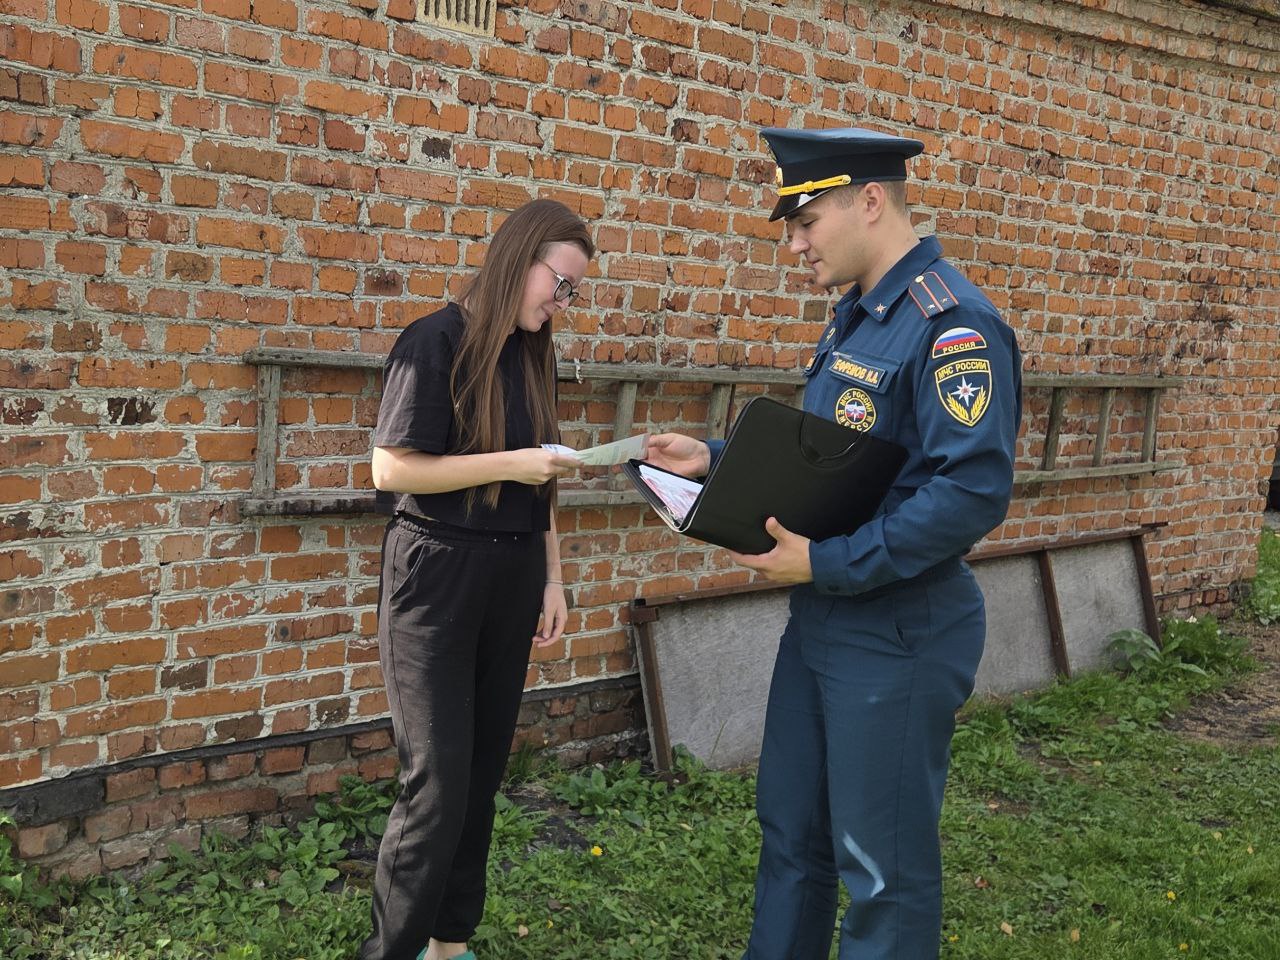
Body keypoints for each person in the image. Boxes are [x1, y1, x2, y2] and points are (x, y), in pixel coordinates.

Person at [646, 127, 1022, 959]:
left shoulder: (952, 325)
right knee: (792, 838)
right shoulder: (861, 314)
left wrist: (828, 561)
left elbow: (970, 492)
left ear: (872, 201)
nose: (793, 243)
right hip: (824, 618)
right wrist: (712, 462)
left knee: (878, 870)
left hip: (899, 628)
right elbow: (833, 458)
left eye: (805, 220)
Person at [362, 198, 592, 960]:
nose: (563, 302)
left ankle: (449, 947)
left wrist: (554, 579)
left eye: (573, 293)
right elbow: (392, 468)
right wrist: (514, 465)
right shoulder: (434, 340)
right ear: (519, 259)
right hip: (437, 572)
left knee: (483, 777)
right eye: (560, 283)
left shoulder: (533, 356)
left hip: (515, 571)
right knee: (436, 786)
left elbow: (544, 482)